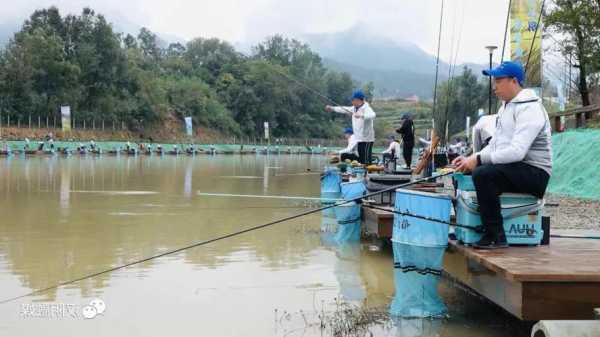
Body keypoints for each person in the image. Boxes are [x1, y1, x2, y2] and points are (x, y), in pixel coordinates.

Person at [452, 61, 552, 249]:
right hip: (519, 169)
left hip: (536, 173)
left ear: (514, 81)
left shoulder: (530, 108)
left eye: (498, 80)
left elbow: (517, 152)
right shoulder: (506, 108)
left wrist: (479, 160)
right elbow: (496, 145)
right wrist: (471, 159)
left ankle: (495, 235)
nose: (494, 86)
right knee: (470, 172)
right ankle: (477, 225)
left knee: (483, 174)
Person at [326, 90, 376, 164]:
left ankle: (368, 174)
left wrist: (361, 116)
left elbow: (373, 115)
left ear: (358, 100)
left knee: (366, 160)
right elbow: (343, 109)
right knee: (362, 159)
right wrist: (332, 108)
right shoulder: (354, 108)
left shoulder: (366, 108)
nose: (352, 102)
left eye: (353, 100)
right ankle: (362, 173)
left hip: (367, 139)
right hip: (359, 139)